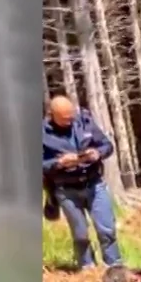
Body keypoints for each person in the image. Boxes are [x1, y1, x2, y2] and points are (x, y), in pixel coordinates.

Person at [42, 95, 121, 269]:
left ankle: (114, 268)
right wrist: (59, 163)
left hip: (94, 184)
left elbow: (107, 146)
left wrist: (97, 153)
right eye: (64, 119)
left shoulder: (84, 121)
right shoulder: (42, 134)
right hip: (66, 190)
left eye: (71, 115)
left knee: (106, 230)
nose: (69, 120)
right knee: (80, 235)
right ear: (51, 115)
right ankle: (87, 269)